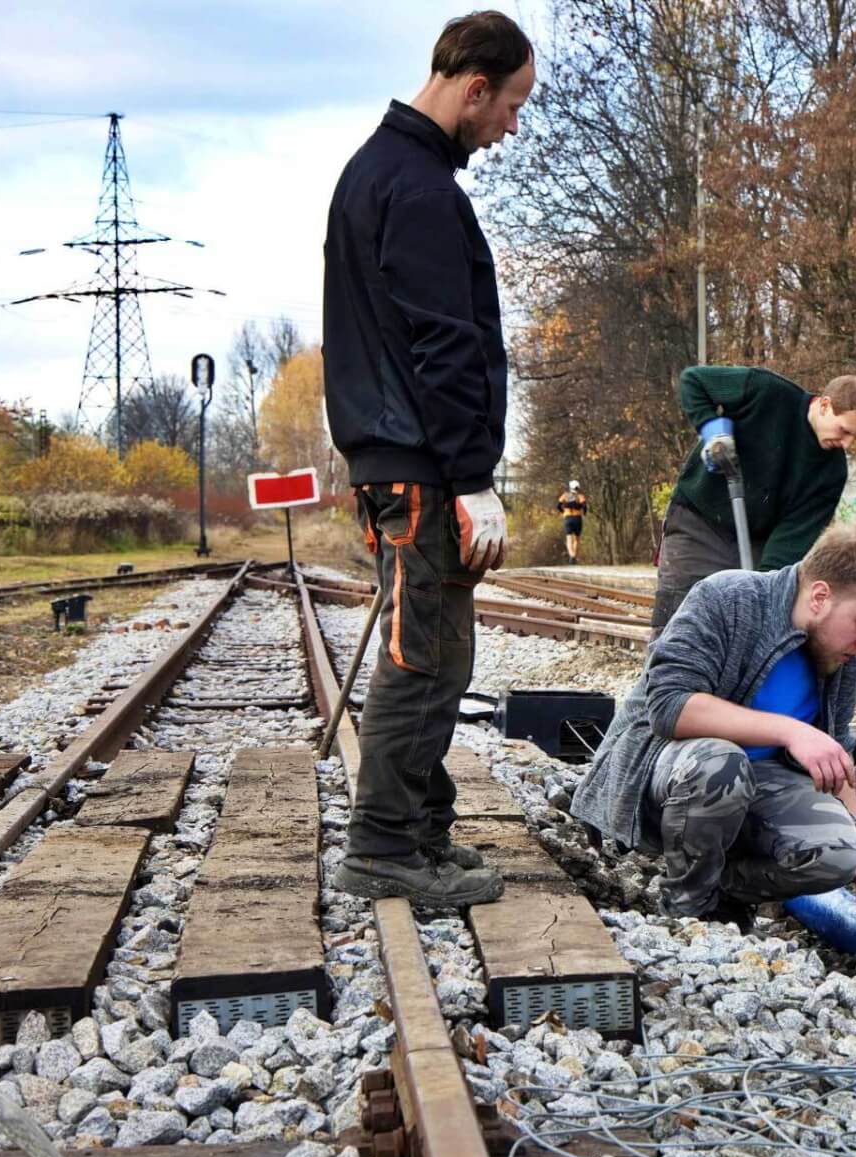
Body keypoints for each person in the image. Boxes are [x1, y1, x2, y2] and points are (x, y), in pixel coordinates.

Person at [320, 10, 535, 908]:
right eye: (511, 105)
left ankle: (421, 833)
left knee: (438, 654)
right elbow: (443, 345)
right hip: (419, 462)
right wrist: (474, 474)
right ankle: (382, 849)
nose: (510, 128)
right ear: (473, 87)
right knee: (422, 655)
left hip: (404, 456)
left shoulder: (389, 174)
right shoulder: (415, 188)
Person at [574, 525, 856, 929]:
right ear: (820, 596)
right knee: (721, 763)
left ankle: (723, 892)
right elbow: (668, 706)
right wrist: (792, 731)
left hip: (755, 785)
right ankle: (686, 912)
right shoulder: (729, 598)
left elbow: (837, 755)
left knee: (839, 853)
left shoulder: (840, 654)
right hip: (662, 775)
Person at [650, 365, 856, 633]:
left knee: (738, 629)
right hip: (698, 523)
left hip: (756, 541)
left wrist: (762, 587)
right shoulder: (767, 391)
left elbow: (791, 539)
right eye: (844, 430)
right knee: (678, 624)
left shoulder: (831, 473)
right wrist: (711, 427)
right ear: (825, 405)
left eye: (855, 437)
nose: (846, 443)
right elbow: (693, 380)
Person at [557, 480, 588, 563]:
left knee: (569, 538)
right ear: (578, 487)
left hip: (568, 518)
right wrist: (584, 514)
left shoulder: (565, 495)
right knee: (577, 539)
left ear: (570, 487)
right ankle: (574, 555)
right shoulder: (580, 496)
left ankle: (572, 556)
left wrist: (563, 512)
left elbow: (558, 505)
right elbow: (584, 506)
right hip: (577, 518)